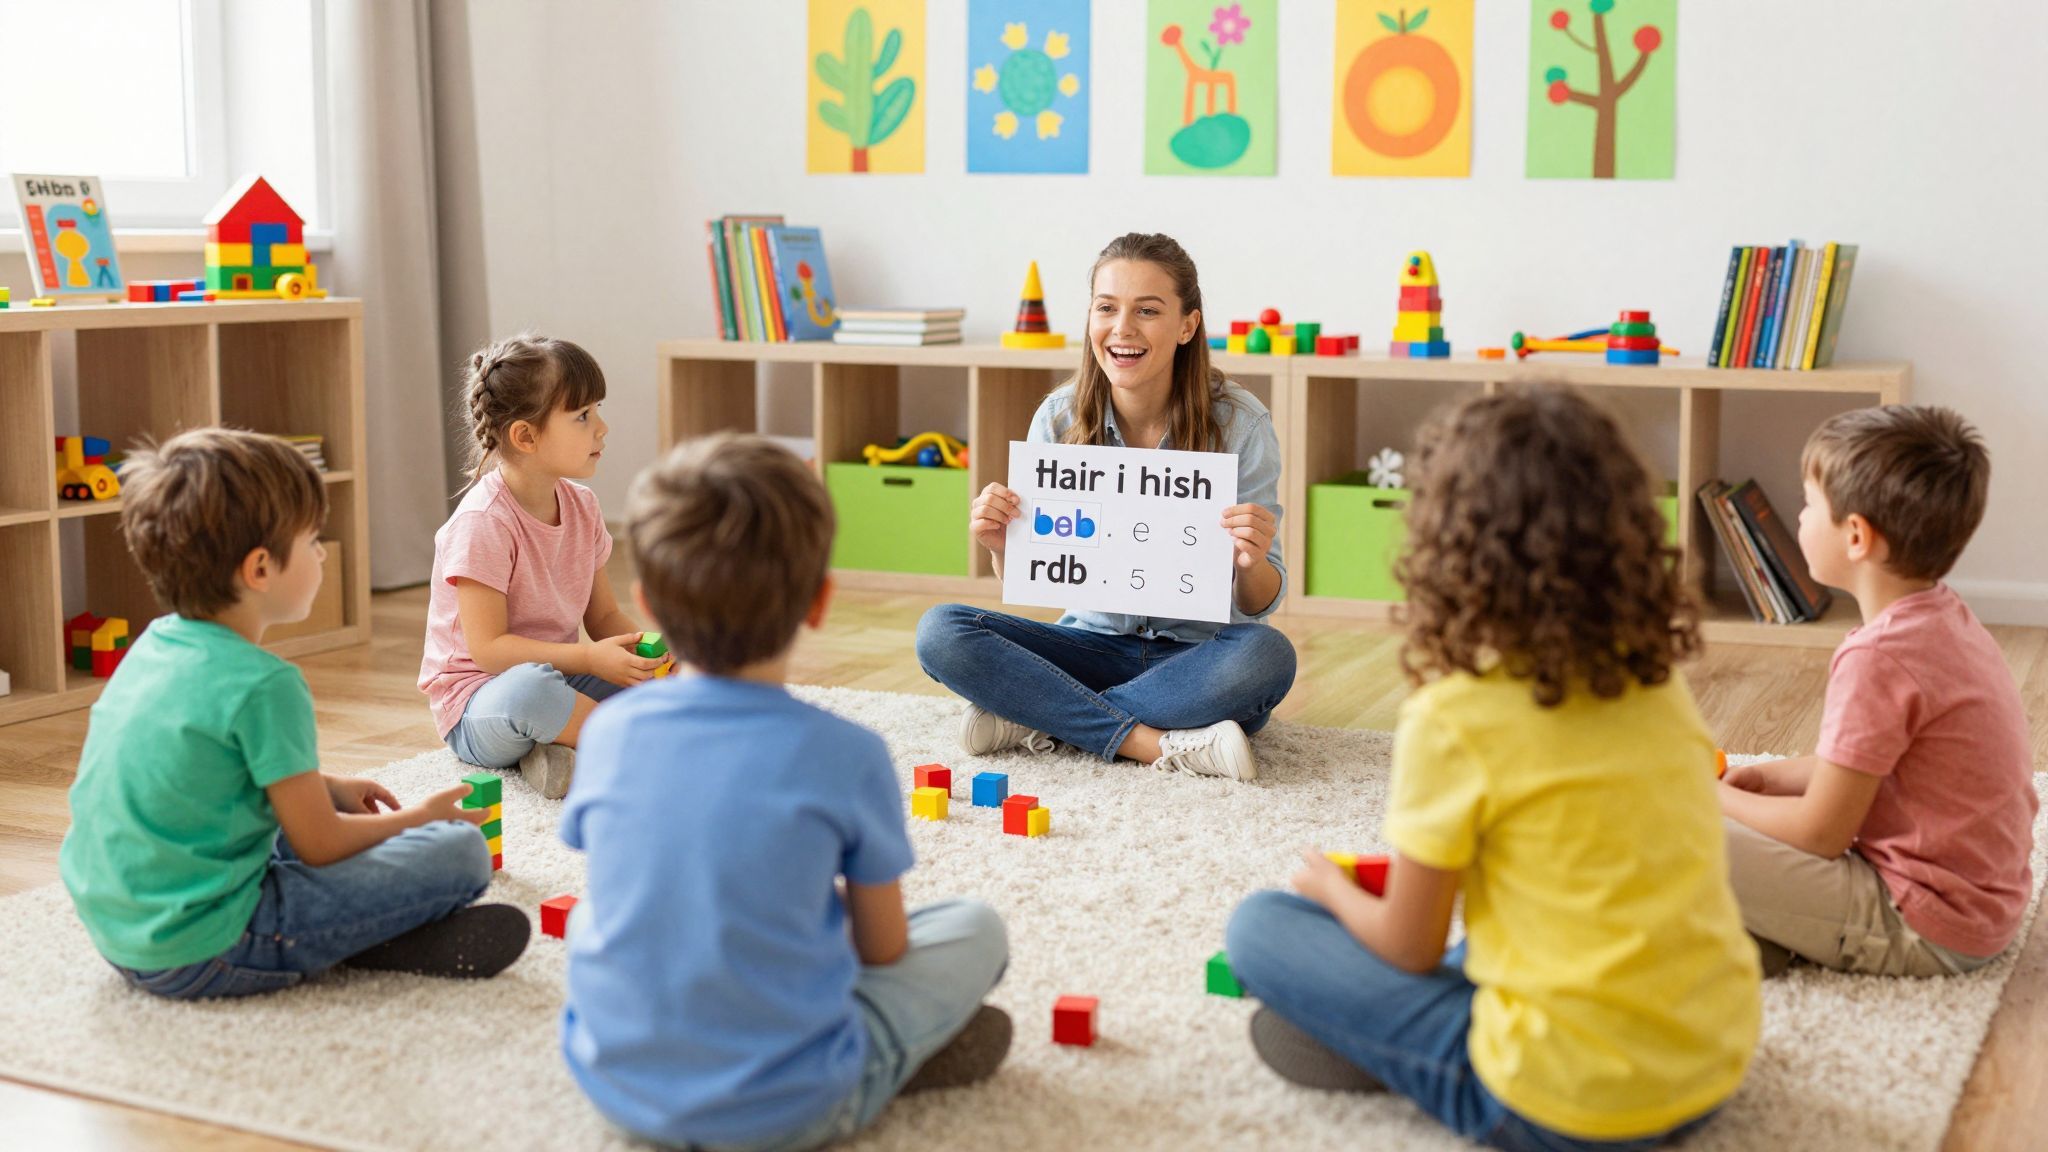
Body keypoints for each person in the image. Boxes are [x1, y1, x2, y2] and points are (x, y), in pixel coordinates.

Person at [1226, 386, 1759, 1149]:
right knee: (1493, 931)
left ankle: (1392, 1048)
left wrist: (1334, 893)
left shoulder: (1453, 716)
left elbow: (1410, 946)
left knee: (1261, 928)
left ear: (1450, 545)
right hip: (1711, 1062)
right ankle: (1383, 1032)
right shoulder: (1654, 679)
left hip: (1564, 1107)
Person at [61, 428, 525, 1000]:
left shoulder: (154, 645)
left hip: (119, 933)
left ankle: (358, 930)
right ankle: (366, 939)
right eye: (312, 540)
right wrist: (421, 818)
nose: (323, 552)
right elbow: (322, 845)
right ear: (259, 569)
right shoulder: (266, 684)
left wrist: (325, 785)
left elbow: (209, 773)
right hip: (209, 947)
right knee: (459, 853)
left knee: (279, 827)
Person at [916, 233, 1295, 782]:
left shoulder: (1241, 422)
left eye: (1148, 311)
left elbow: (1261, 602)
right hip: (1086, 643)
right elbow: (1034, 575)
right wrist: (1004, 545)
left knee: (1267, 657)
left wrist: (1251, 560)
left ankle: (1038, 715)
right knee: (940, 630)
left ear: (1187, 326)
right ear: (1090, 317)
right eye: (1107, 308)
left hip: (1196, 657)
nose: (1123, 329)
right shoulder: (1058, 417)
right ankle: (1151, 741)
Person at [1720, 405, 2034, 977]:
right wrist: (1768, 780)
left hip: (1921, 922)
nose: (1799, 516)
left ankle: (1738, 936)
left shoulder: (1878, 657)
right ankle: (1748, 938)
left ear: (1857, 535)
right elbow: (1868, 763)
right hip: (1979, 903)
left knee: (1674, 837)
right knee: (1737, 825)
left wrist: (1710, 797)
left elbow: (1821, 833)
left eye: (1809, 503)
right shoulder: (1943, 617)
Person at [419, 333, 660, 799]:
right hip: (478, 703)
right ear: (526, 436)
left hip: (560, 672)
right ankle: (630, 747)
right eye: (583, 416)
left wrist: (647, 657)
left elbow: (603, 617)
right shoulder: (483, 524)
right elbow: (489, 651)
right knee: (533, 691)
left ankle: (557, 750)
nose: (602, 428)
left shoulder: (583, 507)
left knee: (653, 689)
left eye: (597, 411)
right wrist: (591, 658)